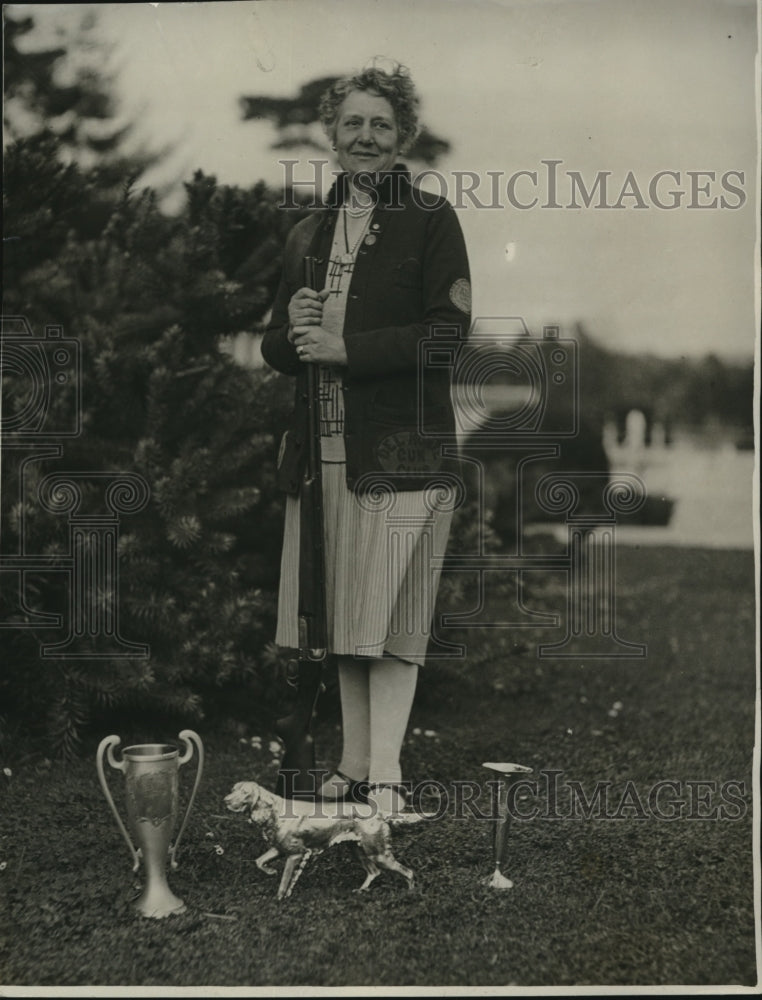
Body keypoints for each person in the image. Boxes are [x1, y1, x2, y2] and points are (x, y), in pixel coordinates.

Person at [261, 62, 471, 816]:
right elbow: (275, 348)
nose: (366, 137)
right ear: (333, 133)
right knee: (344, 617)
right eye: (353, 123)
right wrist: (295, 329)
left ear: (401, 136)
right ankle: (352, 768)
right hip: (322, 456)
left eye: (381, 124)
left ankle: (385, 775)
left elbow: (448, 337)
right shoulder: (307, 232)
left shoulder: (430, 219)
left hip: (401, 454)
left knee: (392, 622)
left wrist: (348, 349)